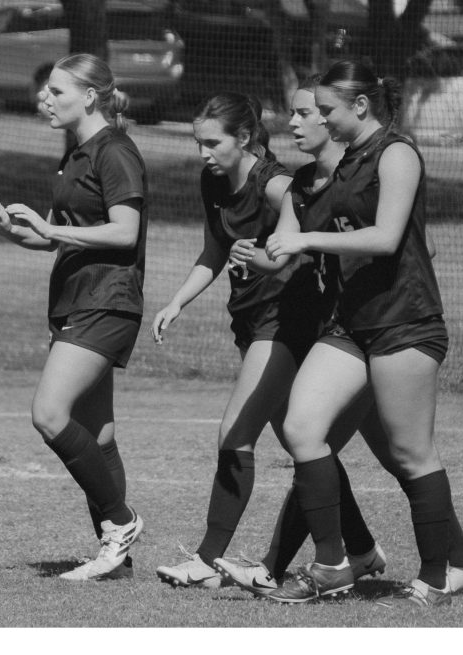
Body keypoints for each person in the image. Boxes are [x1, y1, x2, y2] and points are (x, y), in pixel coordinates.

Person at [262, 58, 463, 607]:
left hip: (404, 322)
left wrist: (306, 243)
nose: (317, 117)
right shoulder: (343, 166)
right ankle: (334, 563)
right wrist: (279, 245)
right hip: (351, 325)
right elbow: (326, 225)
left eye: (327, 109)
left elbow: (387, 238)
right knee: (302, 427)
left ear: (359, 107)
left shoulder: (398, 153)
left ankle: (441, 575)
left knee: (410, 454)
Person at [150, 91, 384, 592]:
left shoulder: (276, 185)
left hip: (286, 322)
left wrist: (273, 258)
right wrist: (176, 302)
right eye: (198, 143)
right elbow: (215, 248)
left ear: (243, 138)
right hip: (251, 319)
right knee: (306, 446)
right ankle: (361, 550)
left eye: (213, 143)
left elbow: (311, 233)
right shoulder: (212, 180)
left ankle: (208, 559)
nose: (203, 153)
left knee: (235, 433)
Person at [0, 53, 147, 581]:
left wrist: (52, 232)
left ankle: (121, 522)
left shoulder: (115, 151)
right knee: (97, 436)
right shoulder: (76, 153)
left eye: (56, 91)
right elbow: (57, 233)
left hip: (107, 299)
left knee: (50, 414)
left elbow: (125, 231)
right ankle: (114, 558)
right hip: (77, 298)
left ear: (90, 96)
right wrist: (11, 228)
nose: (43, 98)